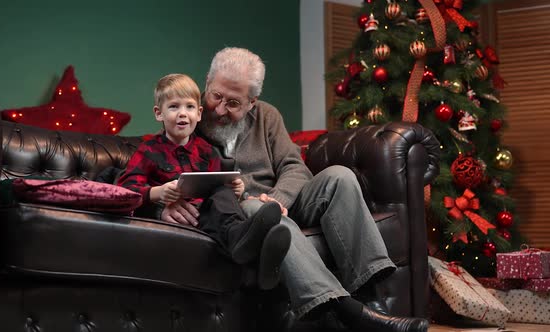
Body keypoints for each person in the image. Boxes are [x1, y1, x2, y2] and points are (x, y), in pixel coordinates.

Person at [158, 48, 429, 332]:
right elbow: (164, 172)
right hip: (243, 212)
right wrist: (165, 202)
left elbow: (294, 167)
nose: (220, 109)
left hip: (281, 199)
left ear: (252, 102)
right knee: (263, 213)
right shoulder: (187, 117)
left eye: (234, 102)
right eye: (216, 96)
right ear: (208, 81)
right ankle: (347, 311)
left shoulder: (267, 117)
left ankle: (373, 300)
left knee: (340, 177)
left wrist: (279, 198)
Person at [117, 73, 291, 289]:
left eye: (189, 107)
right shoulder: (148, 150)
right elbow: (124, 190)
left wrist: (237, 190)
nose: (183, 114)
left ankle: (245, 239)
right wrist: (157, 193)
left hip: (211, 216)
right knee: (222, 212)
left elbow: (220, 194)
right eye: (173, 107)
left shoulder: (207, 151)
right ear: (158, 113)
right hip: (184, 217)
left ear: (199, 114)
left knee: (223, 193)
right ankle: (254, 256)